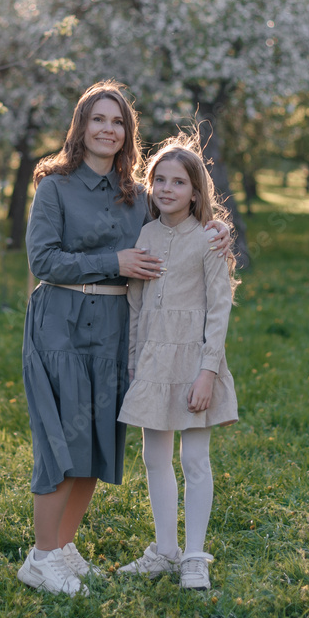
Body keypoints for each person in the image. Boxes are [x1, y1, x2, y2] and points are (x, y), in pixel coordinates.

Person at [17, 83, 230, 597]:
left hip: (117, 330)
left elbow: (178, 228)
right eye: (99, 119)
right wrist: (111, 262)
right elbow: (42, 261)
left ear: (127, 134)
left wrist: (217, 228)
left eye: (118, 122)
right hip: (61, 325)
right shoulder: (55, 187)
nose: (108, 129)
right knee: (60, 444)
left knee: (94, 444)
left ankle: (63, 548)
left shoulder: (136, 195)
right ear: (81, 126)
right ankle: (40, 559)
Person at [117, 135, 238, 591]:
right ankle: (164, 549)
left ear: (195, 191)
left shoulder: (208, 238)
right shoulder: (145, 235)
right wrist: (134, 364)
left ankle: (194, 556)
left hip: (194, 361)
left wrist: (208, 371)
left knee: (195, 458)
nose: (167, 189)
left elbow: (219, 309)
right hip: (153, 360)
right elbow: (135, 304)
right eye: (160, 180)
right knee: (154, 455)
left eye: (178, 182)